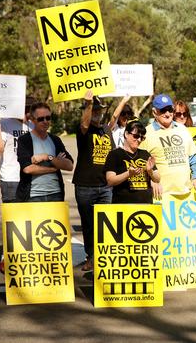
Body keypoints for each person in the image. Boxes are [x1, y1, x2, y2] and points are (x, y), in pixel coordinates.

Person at [73, 90, 115, 271]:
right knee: (88, 225)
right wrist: (89, 104)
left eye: (99, 110)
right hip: (85, 186)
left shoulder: (106, 129)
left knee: (105, 224)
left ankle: (103, 257)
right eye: (94, 110)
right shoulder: (83, 129)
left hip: (105, 186)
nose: (97, 113)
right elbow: (84, 122)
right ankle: (91, 257)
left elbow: (114, 118)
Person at [139, 94, 196, 198]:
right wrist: (151, 179)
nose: (168, 114)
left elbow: (193, 158)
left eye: (170, 109)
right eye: (163, 110)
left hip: (186, 194)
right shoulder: (146, 134)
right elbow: (139, 163)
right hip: (161, 197)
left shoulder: (183, 129)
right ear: (154, 112)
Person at [16, 102, 74, 202]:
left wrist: (48, 157)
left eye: (48, 118)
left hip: (56, 195)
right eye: (41, 119)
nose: (45, 121)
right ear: (33, 120)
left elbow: (69, 165)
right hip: (32, 197)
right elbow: (28, 169)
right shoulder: (24, 140)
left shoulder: (55, 140)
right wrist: (54, 168)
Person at [105, 119, 160, 203]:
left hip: (146, 206)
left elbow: (157, 179)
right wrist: (129, 174)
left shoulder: (145, 154)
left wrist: (150, 171)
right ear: (126, 134)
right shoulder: (114, 154)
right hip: (123, 206)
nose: (139, 140)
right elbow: (110, 181)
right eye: (136, 136)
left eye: (142, 138)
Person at [0, 97, 35, 203]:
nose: (28, 113)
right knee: (12, 216)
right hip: (11, 179)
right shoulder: (5, 123)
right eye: (25, 110)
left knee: (29, 217)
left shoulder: (33, 125)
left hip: (30, 179)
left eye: (30, 110)